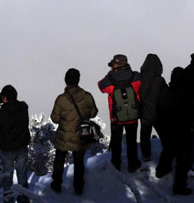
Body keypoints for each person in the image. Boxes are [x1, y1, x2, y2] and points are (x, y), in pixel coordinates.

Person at [50, 68, 99, 196]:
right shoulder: (87, 96)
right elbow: (93, 113)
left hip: (64, 136)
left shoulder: (61, 99)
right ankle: (78, 187)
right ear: (78, 80)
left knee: (59, 160)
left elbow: (54, 119)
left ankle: (56, 184)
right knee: (79, 162)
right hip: (80, 136)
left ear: (66, 81)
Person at [155, 67, 194, 196]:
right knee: (182, 160)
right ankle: (179, 187)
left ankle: (161, 170)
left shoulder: (165, 92)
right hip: (182, 130)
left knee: (168, 150)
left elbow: (160, 109)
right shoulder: (185, 95)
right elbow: (192, 114)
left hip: (167, 128)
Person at [0, 84, 31, 203]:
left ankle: (8, 199)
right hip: (22, 146)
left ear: (5, 98)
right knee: (22, 175)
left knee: (7, 176)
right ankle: (24, 198)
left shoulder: (1, 113)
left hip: (7, 150)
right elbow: (16, 104)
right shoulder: (23, 107)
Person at [98, 54, 142, 172]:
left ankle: (116, 164)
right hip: (133, 115)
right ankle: (133, 164)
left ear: (116, 64)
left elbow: (101, 86)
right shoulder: (136, 76)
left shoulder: (110, 79)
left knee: (116, 141)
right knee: (131, 140)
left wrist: (110, 73)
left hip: (116, 116)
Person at [138, 53, 167, 161]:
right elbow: (165, 95)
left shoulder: (139, 77)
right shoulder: (160, 80)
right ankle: (168, 153)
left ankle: (146, 155)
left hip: (144, 112)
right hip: (157, 112)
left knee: (144, 135)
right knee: (164, 134)